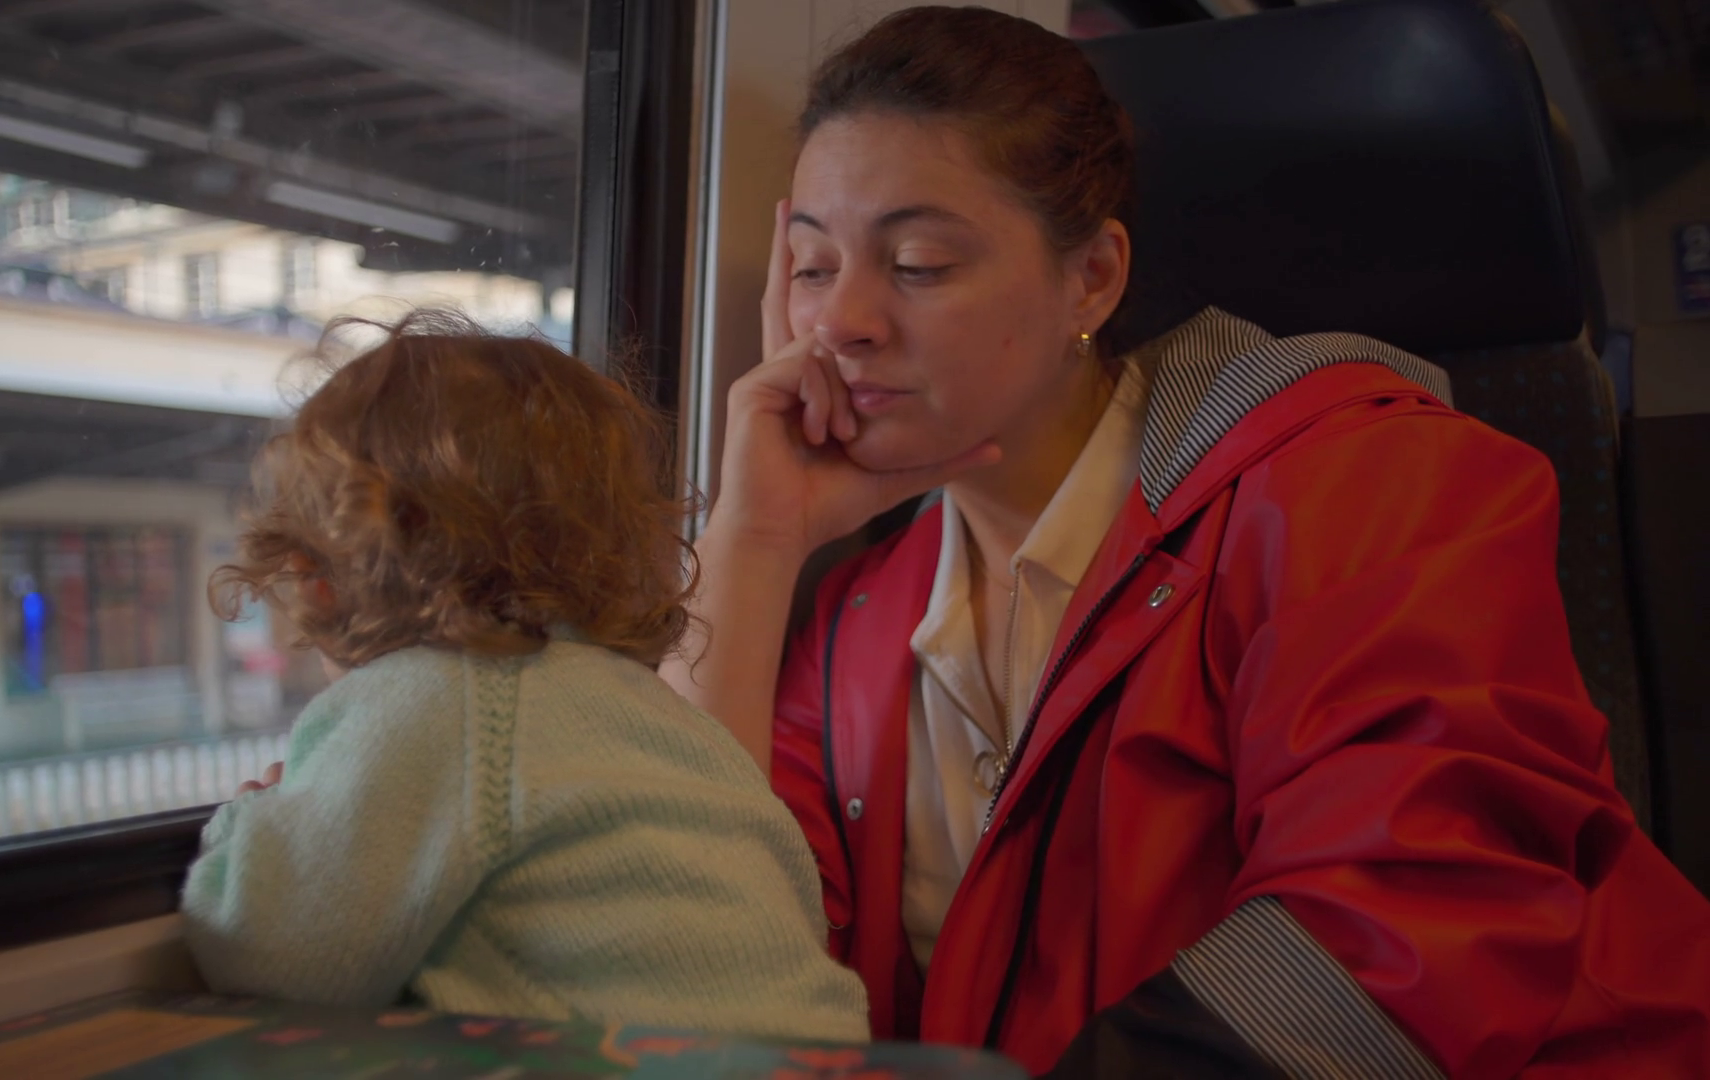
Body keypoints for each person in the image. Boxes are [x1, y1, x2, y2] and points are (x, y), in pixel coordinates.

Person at [659, 7, 1710, 1077]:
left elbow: (1400, 934)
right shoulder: (855, 622)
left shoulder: (1365, 480)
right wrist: (755, 538)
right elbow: (696, 943)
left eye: (919, 263)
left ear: (1092, 278)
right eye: (812, 266)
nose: (840, 320)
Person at [179, 310, 869, 1043]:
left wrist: (249, 825)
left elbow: (271, 956)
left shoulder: (428, 703)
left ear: (314, 578)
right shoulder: (666, 720)